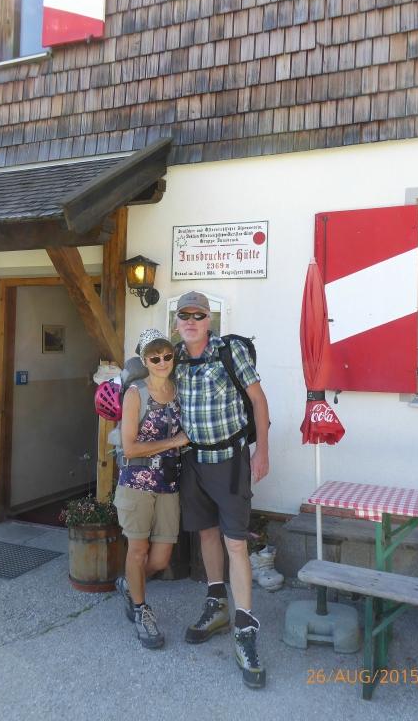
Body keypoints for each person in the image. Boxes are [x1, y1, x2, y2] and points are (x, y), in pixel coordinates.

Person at [174, 291, 270, 689]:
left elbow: (258, 399)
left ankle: (245, 632)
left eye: (199, 315)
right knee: (206, 535)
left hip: (230, 462)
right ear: (178, 321)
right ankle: (217, 607)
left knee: (235, 543)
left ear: (209, 320)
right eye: (185, 315)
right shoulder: (172, 359)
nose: (192, 321)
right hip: (193, 462)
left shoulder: (229, 352)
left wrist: (261, 450)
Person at [114, 328, 189, 649]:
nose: (162, 361)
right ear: (145, 361)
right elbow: (129, 448)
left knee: (160, 559)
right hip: (136, 483)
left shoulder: (179, 391)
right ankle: (142, 611)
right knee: (138, 550)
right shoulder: (136, 394)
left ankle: (130, 585)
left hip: (168, 484)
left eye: (167, 355)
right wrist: (174, 441)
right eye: (154, 357)